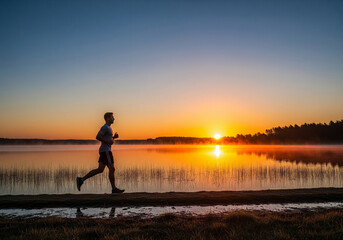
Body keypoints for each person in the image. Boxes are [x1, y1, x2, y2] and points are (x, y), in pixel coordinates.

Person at [76, 112, 125, 194]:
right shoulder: (105, 127)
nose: (114, 119)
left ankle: (81, 179)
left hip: (104, 151)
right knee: (112, 169)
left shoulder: (108, 128)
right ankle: (114, 189)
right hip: (106, 151)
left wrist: (113, 138)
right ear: (108, 118)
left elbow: (108, 139)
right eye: (112, 117)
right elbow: (98, 136)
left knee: (100, 169)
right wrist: (108, 141)